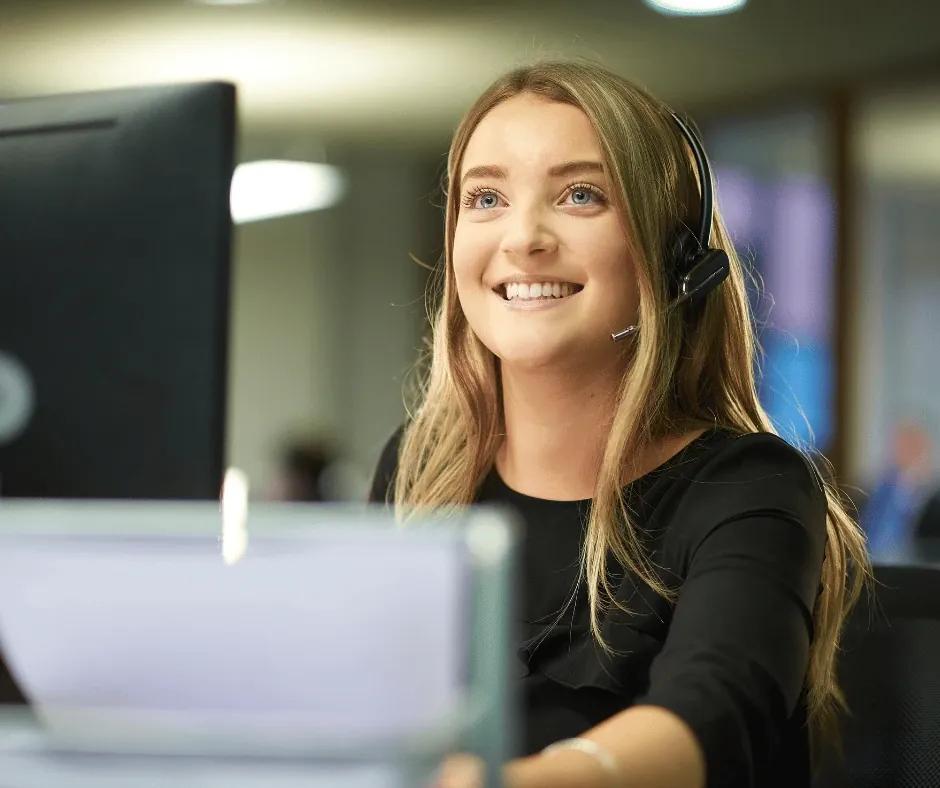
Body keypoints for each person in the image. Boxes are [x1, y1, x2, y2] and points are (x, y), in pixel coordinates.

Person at [368, 61, 871, 788]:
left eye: (580, 195)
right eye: (486, 198)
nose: (524, 238)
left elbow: (712, 714)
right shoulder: (421, 468)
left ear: (671, 257)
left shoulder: (749, 487)